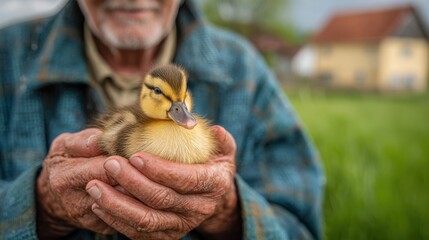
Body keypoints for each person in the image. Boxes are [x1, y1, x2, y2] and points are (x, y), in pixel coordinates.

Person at [0, 0, 324, 239]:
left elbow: (300, 227)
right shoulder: (6, 56)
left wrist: (228, 211)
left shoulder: (244, 68)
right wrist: (40, 205)